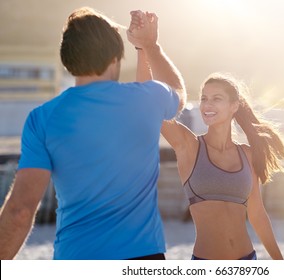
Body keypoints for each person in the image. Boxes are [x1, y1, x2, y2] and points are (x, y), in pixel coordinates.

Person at [0, 7, 186, 260]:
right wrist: (149, 46)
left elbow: (20, 211)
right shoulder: (147, 99)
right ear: (115, 56)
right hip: (142, 258)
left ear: (68, 59)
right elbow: (176, 91)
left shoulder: (42, 118)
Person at [131, 12, 284, 260]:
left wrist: (280, 263)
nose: (207, 104)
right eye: (204, 98)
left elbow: (258, 215)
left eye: (217, 98)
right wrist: (143, 48)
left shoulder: (247, 154)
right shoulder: (189, 146)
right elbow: (149, 101)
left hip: (247, 261)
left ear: (234, 106)